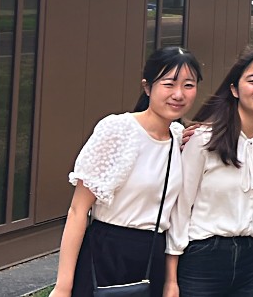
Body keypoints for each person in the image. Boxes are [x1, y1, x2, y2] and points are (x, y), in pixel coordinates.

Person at [53, 47, 202, 297]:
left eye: (188, 85)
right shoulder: (118, 130)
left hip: (152, 256)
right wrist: (63, 287)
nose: (179, 94)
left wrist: (170, 281)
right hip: (107, 253)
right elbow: (78, 210)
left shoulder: (179, 138)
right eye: (169, 84)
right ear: (147, 87)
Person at [165, 49, 253, 296]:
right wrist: (171, 279)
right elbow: (179, 209)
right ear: (234, 89)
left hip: (252, 260)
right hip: (202, 258)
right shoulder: (203, 140)